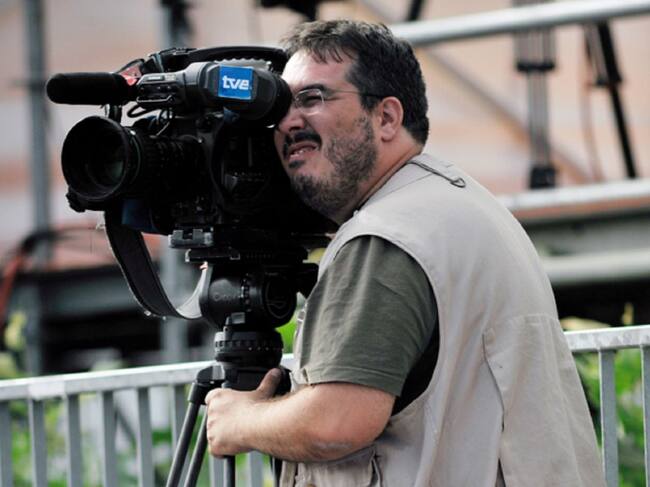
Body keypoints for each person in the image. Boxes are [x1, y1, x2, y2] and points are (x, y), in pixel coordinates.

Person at [205, 20, 605, 486]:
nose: (289, 123)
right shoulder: (459, 202)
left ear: (387, 117)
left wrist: (239, 420)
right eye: (281, 108)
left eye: (313, 98)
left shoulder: (386, 236)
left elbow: (337, 422)